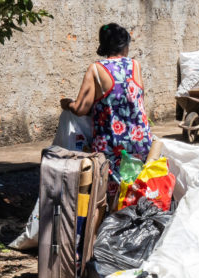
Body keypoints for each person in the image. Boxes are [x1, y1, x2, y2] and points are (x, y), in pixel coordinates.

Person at [62, 23, 153, 198]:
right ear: (125, 45)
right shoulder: (135, 65)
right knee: (137, 193)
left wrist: (68, 104)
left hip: (113, 148)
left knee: (110, 198)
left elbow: (81, 108)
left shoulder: (96, 69)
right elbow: (137, 100)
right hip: (141, 144)